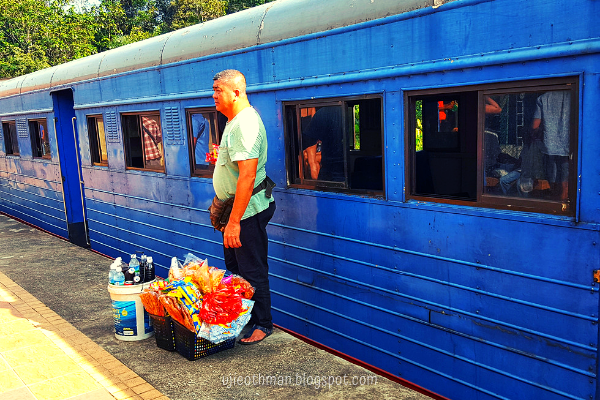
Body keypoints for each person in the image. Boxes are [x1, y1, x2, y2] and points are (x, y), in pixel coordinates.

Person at [211, 69, 276, 345]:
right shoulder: (233, 121)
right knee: (236, 269)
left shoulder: (245, 124)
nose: (213, 96)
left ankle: (262, 324)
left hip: (246, 213)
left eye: (218, 90)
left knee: (251, 269)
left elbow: (248, 177)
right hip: (234, 211)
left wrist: (235, 221)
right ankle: (246, 318)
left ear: (236, 92)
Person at [532, 90, 571, 200]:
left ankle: (554, 203)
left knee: (552, 176)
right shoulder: (573, 94)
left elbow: (535, 126)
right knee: (565, 177)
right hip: (569, 145)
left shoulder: (543, 98)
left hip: (549, 146)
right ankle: (564, 203)